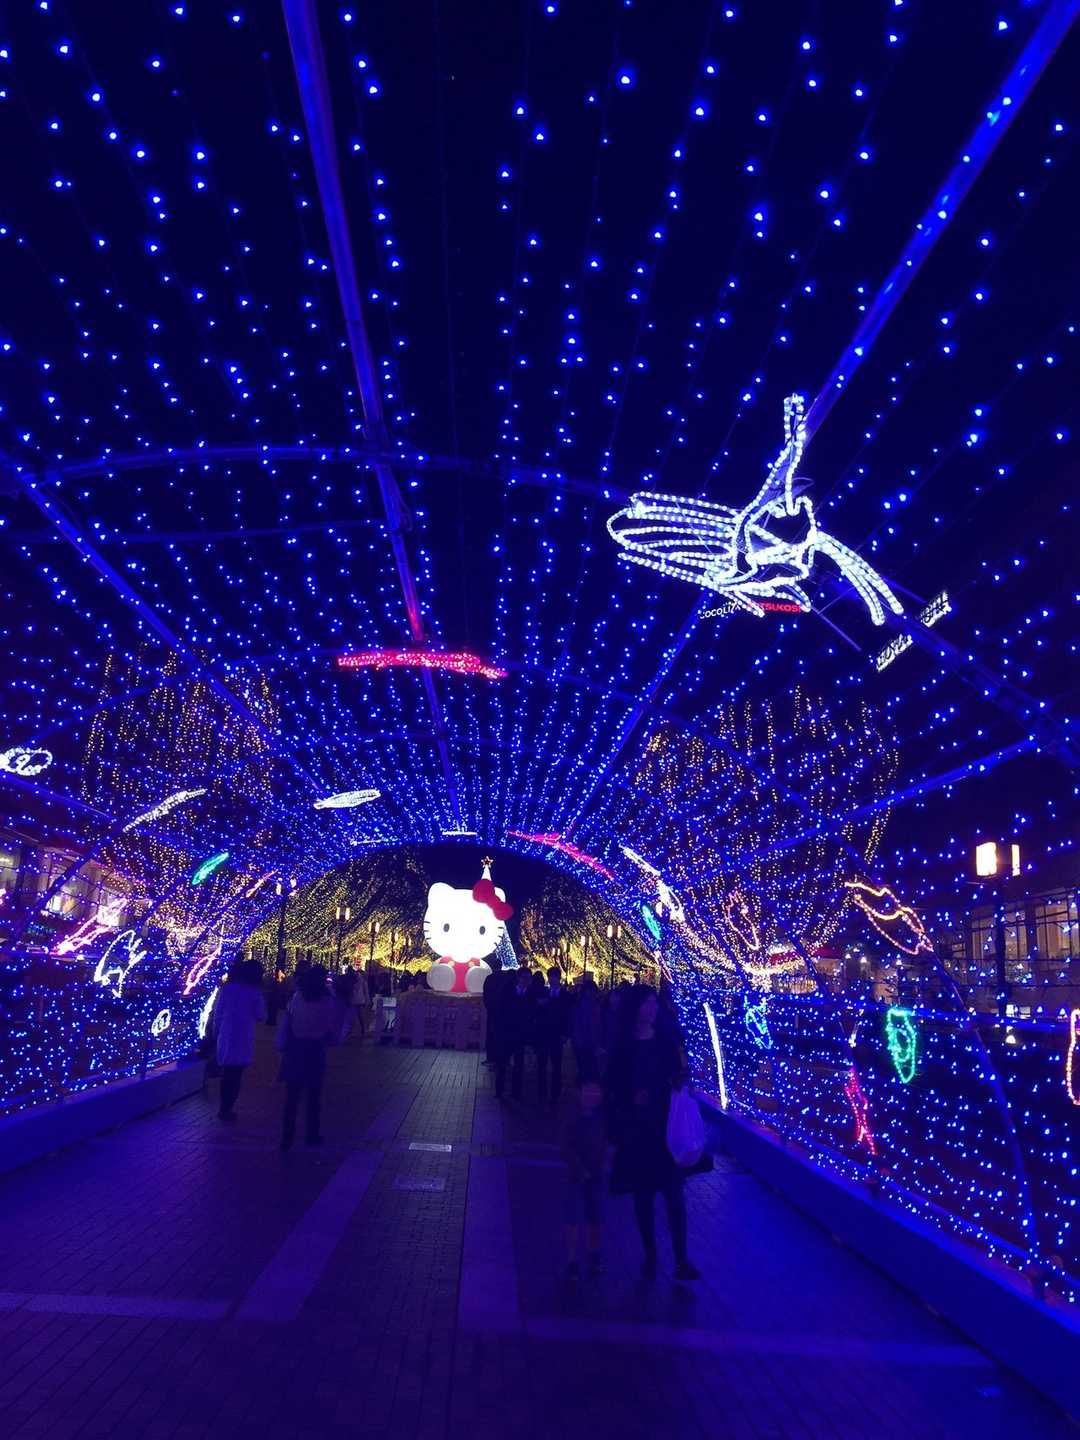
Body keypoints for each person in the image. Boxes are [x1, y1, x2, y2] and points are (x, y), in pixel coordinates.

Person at [605, 985, 699, 1281]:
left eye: (654, 1003)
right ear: (635, 1007)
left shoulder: (666, 1041)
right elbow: (613, 1084)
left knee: (674, 1195)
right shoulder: (624, 1045)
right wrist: (629, 1099)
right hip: (637, 1130)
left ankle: (681, 1259)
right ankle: (650, 1255)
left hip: (665, 1126)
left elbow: (679, 1073)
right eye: (646, 1003)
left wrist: (677, 1082)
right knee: (643, 1196)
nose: (651, 1008)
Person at [279, 965, 337, 1150]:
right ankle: (312, 1134)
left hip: (295, 1047)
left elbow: (288, 1021)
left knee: (292, 1095)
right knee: (314, 1095)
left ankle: (287, 1136)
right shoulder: (327, 1000)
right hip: (316, 1049)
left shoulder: (297, 997)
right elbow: (331, 1027)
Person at [561, 1079, 607, 1278]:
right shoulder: (575, 1117)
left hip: (593, 1173)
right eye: (589, 1091)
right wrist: (581, 1168)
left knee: (592, 1215)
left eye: (596, 1092)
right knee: (578, 1215)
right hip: (579, 1174)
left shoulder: (598, 1116)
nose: (593, 1096)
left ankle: (589, 1256)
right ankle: (576, 1259)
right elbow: (566, 1146)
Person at [212, 958, 267, 1122]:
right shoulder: (254, 992)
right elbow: (261, 1015)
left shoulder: (228, 989)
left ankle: (223, 1107)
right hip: (243, 1036)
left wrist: (215, 1033)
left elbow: (217, 1013)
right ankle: (227, 1109)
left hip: (226, 1034)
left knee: (227, 1074)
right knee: (236, 1075)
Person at [536, 966, 571, 1103]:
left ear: (559, 978)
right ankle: (542, 1091)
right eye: (550, 977)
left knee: (556, 1065)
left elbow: (567, 1015)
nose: (552, 979)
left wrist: (565, 1033)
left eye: (554, 977)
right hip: (544, 1033)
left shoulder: (565, 995)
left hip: (557, 1034)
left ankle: (555, 1092)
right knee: (542, 1064)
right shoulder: (544, 992)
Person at [571, 973, 604, 1083]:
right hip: (587, 1044)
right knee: (589, 1072)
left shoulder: (582, 1004)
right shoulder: (591, 1005)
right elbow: (594, 1026)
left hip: (585, 1044)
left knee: (586, 1071)